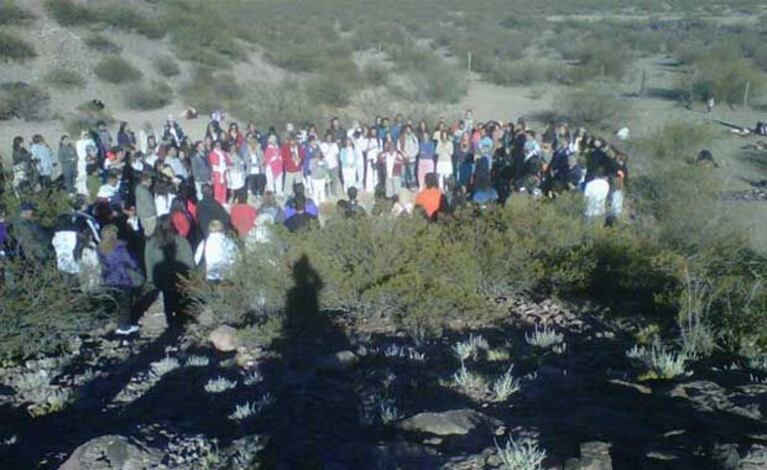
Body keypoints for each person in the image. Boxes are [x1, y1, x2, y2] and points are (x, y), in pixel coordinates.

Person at [144, 215, 195, 329]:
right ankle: (180, 318)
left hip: (161, 277)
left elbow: (148, 261)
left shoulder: (151, 242)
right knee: (180, 296)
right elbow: (189, 260)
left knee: (167, 296)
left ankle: (170, 319)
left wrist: (150, 278)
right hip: (179, 276)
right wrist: (192, 275)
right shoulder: (181, 241)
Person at [98, 224, 142, 335]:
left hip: (108, 279)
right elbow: (132, 263)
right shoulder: (120, 248)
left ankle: (114, 322)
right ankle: (123, 327)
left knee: (115, 302)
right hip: (122, 278)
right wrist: (138, 268)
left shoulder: (100, 249)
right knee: (125, 304)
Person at [12, 202, 52, 267]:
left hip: (37, 256)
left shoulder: (28, 223)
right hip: (36, 258)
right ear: (26, 211)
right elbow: (28, 242)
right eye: (32, 210)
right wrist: (39, 256)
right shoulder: (22, 225)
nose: (33, 213)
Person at [208, 140, 230, 204]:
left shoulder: (223, 152)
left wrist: (227, 166)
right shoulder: (212, 153)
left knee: (224, 187)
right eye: (217, 145)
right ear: (214, 146)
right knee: (218, 188)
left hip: (224, 172)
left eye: (219, 145)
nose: (218, 146)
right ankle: (218, 203)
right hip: (217, 173)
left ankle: (224, 201)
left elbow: (227, 161)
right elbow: (214, 164)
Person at [319, 133, 341, 197]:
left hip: (334, 165)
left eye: (330, 137)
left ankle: (334, 192)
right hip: (326, 165)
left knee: (334, 180)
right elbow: (321, 155)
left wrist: (337, 163)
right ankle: (326, 193)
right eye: (328, 137)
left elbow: (337, 155)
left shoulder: (334, 145)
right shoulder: (322, 145)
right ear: (325, 138)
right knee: (326, 180)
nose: (329, 139)